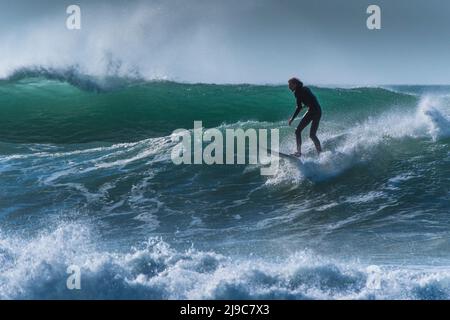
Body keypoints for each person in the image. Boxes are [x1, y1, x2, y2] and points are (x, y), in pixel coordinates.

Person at [288, 77, 322, 157]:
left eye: (290, 84)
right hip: (318, 110)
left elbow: (299, 107)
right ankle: (320, 153)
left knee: (297, 131)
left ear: (295, 84)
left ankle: (299, 152)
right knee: (312, 135)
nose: (289, 87)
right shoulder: (305, 89)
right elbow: (312, 99)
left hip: (312, 111)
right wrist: (306, 105)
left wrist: (292, 119)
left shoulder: (297, 93)